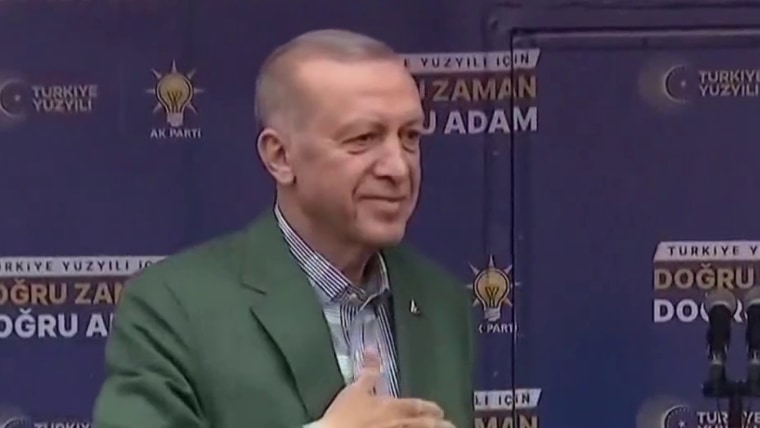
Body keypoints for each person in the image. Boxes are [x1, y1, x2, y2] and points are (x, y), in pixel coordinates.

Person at [92, 29, 474, 428]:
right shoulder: (172, 307)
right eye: (363, 138)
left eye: (410, 137)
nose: (398, 168)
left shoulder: (442, 302)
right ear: (280, 157)